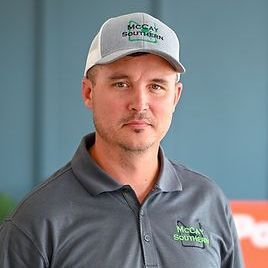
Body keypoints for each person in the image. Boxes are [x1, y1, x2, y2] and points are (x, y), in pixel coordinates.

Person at [0, 12, 244, 267]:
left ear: (175, 97)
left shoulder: (208, 202)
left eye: (156, 86)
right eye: (121, 84)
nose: (140, 104)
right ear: (88, 92)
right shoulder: (36, 220)